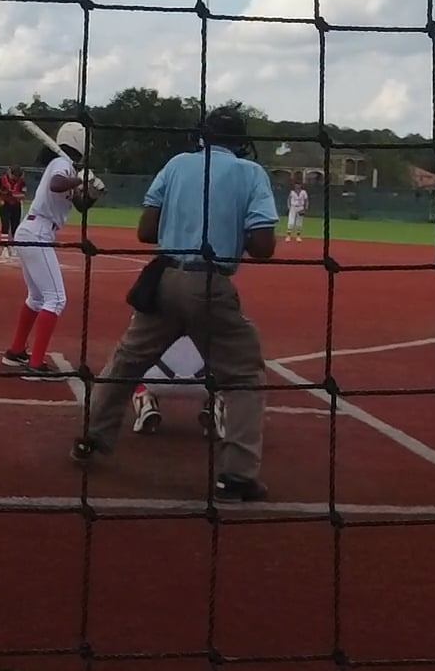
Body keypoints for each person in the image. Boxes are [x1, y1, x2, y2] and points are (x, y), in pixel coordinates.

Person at [71, 106, 279, 503]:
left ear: (202, 136)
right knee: (244, 377)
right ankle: (236, 476)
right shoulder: (251, 173)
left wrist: (185, 222)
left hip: (163, 280)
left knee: (126, 362)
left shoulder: (177, 164)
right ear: (239, 142)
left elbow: (146, 231)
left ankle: (90, 438)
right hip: (210, 285)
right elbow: (263, 247)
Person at [1, 123, 98, 377]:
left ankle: (15, 351)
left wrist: (92, 192)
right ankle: (36, 364)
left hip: (33, 230)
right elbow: (56, 184)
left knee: (37, 298)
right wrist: (80, 178)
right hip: (37, 231)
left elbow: (81, 205)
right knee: (56, 298)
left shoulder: (67, 167)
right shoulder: (61, 164)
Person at [0, 164, 25, 261]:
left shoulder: (21, 182)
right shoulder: (2, 180)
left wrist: (14, 195)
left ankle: (14, 246)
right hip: (5, 205)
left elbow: (23, 195)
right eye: (13, 175)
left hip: (16, 205)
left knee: (15, 226)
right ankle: (5, 247)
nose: (14, 178)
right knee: (5, 224)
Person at [285, 176, 309, 241]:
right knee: (291, 222)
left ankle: (298, 236)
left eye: (298, 184)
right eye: (296, 185)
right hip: (293, 207)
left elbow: (306, 200)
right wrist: (289, 207)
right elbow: (288, 199)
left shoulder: (303, 192)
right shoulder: (292, 192)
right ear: (294, 185)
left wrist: (305, 208)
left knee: (299, 223)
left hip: (300, 207)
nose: (297, 186)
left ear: (301, 185)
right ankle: (288, 236)